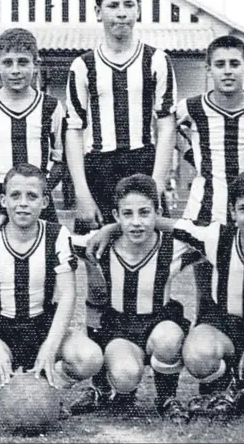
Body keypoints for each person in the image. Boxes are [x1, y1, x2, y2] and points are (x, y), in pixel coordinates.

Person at [85, 170, 244, 424]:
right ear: (232, 212)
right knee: (196, 352)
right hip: (223, 329)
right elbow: (165, 223)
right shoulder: (217, 237)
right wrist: (112, 228)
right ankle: (229, 388)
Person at [64, 0, 177, 405]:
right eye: (113, 6)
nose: (121, 14)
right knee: (96, 270)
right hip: (98, 166)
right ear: (99, 12)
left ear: (137, 10)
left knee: (149, 262)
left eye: (128, 5)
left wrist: (158, 181)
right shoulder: (81, 66)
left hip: (142, 163)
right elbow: (74, 131)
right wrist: (82, 191)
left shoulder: (156, 60)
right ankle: (101, 383)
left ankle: (157, 377)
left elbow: (165, 125)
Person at [175, 36, 244, 395]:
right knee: (208, 295)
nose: (228, 71)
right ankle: (212, 381)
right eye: (220, 64)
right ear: (209, 70)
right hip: (205, 212)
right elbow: (170, 133)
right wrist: (192, 161)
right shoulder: (190, 108)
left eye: (235, 63)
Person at [70, 174, 195, 423]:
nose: (136, 222)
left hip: (161, 322)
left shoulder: (176, 246)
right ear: (116, 215)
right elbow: (49, 240)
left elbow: (221, 237)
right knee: (125, 374)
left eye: (144, 213)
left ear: (157, 212)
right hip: (120, 328)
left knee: (169, 339)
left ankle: (167, 398)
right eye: (127, 214)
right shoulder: (98, 245)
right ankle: (120, 393)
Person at [0, 164, 103, 418]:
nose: (23, 203)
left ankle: (46, 390)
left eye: (32, 196)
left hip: (41, 327)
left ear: (45, 201)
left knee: (89, 356)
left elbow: (68, 295)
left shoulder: (57, 234)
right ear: (3, 200)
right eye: (15, 195)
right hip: (0, 328)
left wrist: (50, 347)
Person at [0, 28, 65, 223]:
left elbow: (60, 158)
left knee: (47, 247)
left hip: (36, 195)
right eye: (7, 63)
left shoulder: (51, 106)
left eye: (23, 62)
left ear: (36, 64)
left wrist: (42, 187)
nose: (15, 70)